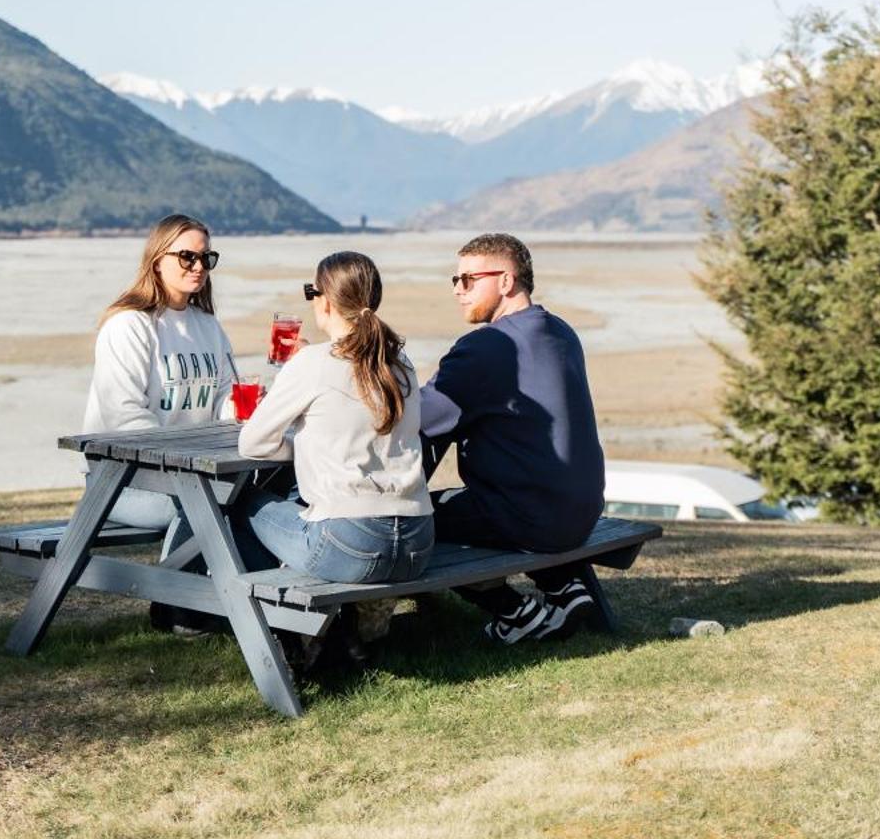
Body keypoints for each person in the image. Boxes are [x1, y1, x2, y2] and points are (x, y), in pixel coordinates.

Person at [420, 232, 606, 643]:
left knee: (413, 523)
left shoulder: (486, 347)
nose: (457, 290)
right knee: (483, 502)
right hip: (582, 509)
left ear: (506, 281)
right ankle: (563, 588)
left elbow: (422, 418)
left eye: (468, 280)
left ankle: (514, 613)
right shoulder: (560, 331)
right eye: (454, 280)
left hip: (531, 517)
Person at [235, 251, 434, 585]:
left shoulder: (312, 362)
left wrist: (298, 447)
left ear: (325, 302)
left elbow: (252, 443)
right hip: (418, 544)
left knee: (241, 503)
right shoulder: (402, 364)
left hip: (348, 546)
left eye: (311, 293)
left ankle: (261, 616)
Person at [81, 212, 237, 530]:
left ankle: (234, 580)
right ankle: (191, 579)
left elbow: (225, 400)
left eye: (206, 258)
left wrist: (253, 405)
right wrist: (191, 462)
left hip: (195, 475)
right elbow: (125, 418)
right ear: (156, 261)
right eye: (186, 257)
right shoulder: (129, 326)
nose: (198, 266)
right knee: (216, 506)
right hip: (122, 483)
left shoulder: (208, 326)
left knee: (258, 495)